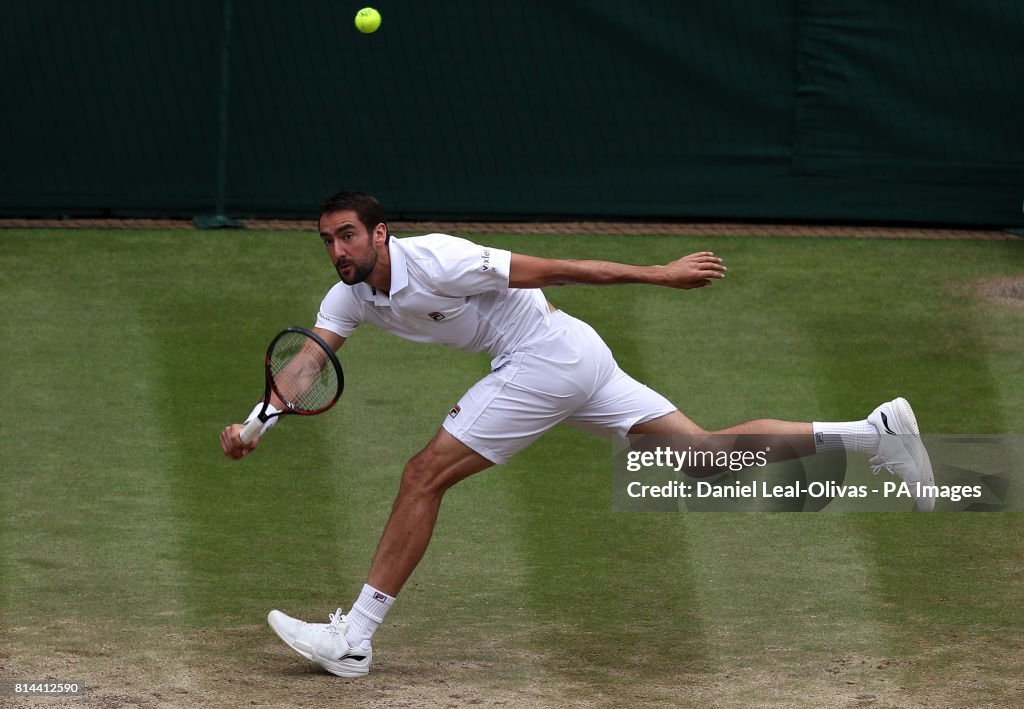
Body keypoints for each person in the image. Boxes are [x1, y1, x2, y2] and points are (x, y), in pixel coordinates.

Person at [219, 189, 934, 677]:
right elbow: (310, 361)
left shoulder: (441, 258)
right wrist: (257, 424)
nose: (338, 250)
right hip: (572, 354)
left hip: (547, 355)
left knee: (421, 474)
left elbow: (560, 267)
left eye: (348, 235)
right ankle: (876, 434)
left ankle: (354, 639)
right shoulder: (346, 294)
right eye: (327, 240)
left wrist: (660, 273)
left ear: (380, 233)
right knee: (709, 457)